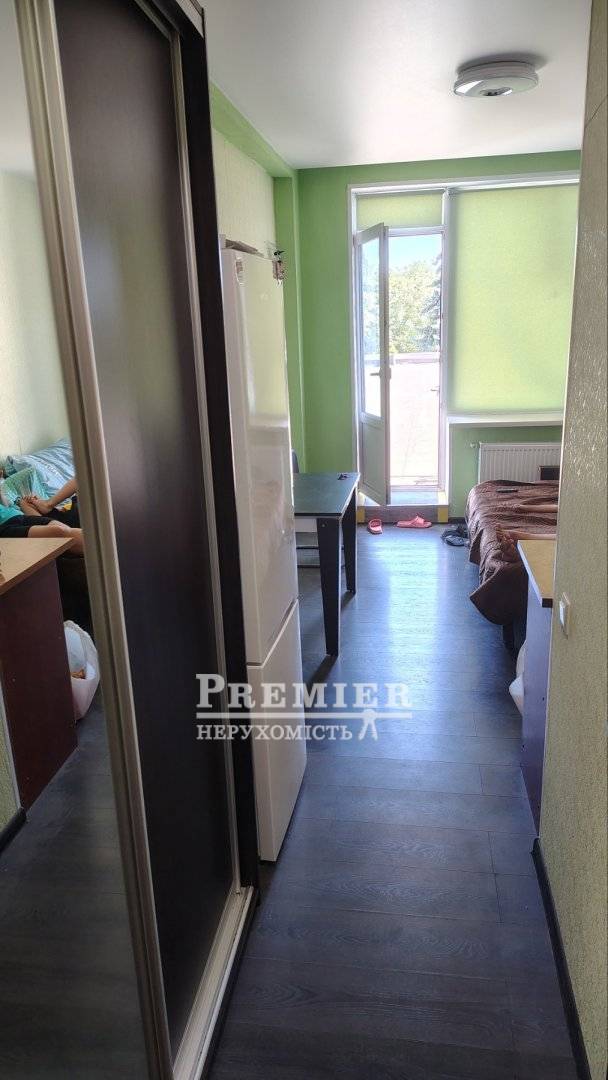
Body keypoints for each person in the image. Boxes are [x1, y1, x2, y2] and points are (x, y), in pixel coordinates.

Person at [0, 492, 84, 555]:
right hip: (3, 527)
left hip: (16, 515)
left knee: (65, 530)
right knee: (59, 532)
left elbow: (5, 505)